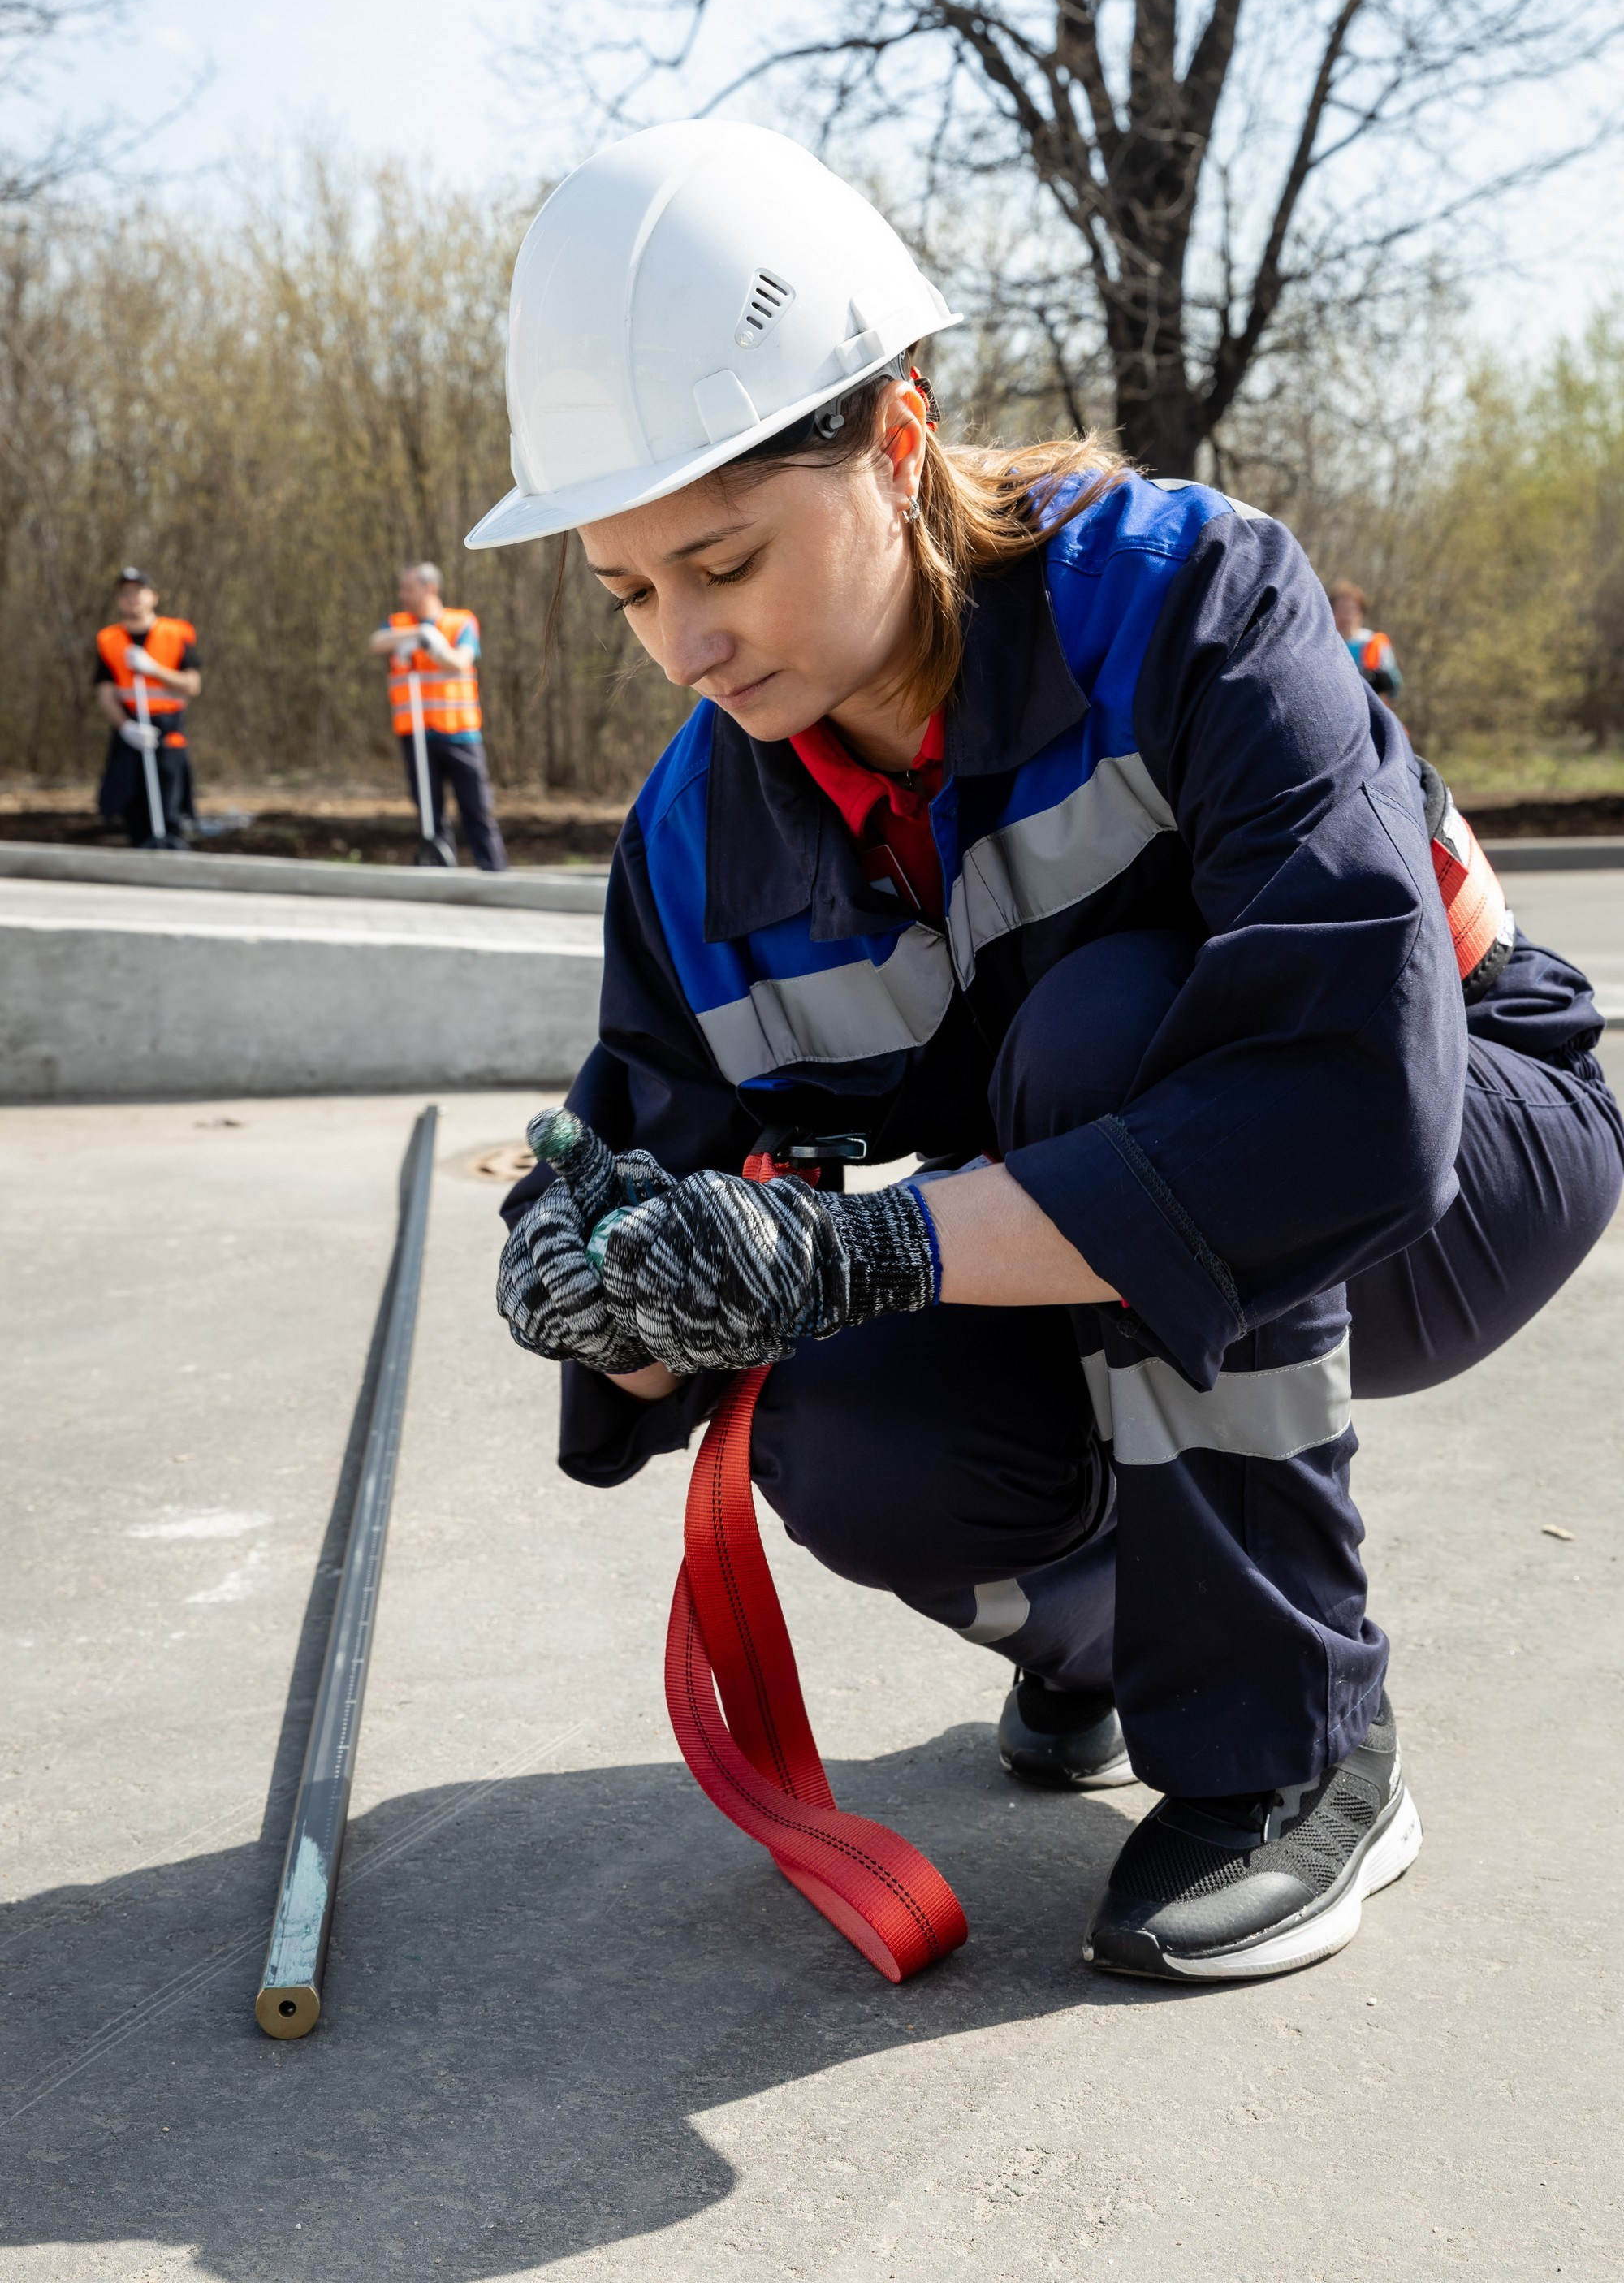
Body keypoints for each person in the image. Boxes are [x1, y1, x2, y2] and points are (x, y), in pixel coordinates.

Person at [478, 122, 1623, 1983]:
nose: (682, 642)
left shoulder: (1187, 601)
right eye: (626, 592)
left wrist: (879, 1243)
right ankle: (1112, 1639)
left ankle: (1293, 1746)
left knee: (1106, 1035)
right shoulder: (691, 844)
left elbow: (1345, 1102)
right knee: (841, 1418)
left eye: (724, 559)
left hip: (1450, 1143)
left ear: (900, 444)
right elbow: (650, 1161)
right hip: (1090, 1203)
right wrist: (595, 1279)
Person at [369, 562, 508, 871]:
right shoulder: (399, 623)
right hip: (416, 735)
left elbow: (462, 662)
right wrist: (418, 633)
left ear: (430, 588)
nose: (402, 595)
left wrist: (434, 646)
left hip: (460, 733)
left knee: (477, 809)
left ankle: (496, 874)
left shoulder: (461, 622)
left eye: (409, 589)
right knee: (429, 813)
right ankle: (440, 873)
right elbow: (377, 643)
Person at [94, 567, 201, 849]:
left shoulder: (177, 633)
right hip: (130, 728)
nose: (131, 599)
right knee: (131, 802)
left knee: (170, 798)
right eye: (124, 594)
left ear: (153, 596)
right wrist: (126, 727)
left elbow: (192, 684)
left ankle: (172, 850)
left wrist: (152, 668)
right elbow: (105, 692)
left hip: (168, 728)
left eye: (137, 592)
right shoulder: (108, 640)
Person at [1331, 579, 1403, 707]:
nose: (1345, 615)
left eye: (1351, 610)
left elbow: (1393, 688)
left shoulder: (1375, 643)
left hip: (1370, 712)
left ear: (1361, 613)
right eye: (1340, 609)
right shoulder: (1325, 645)